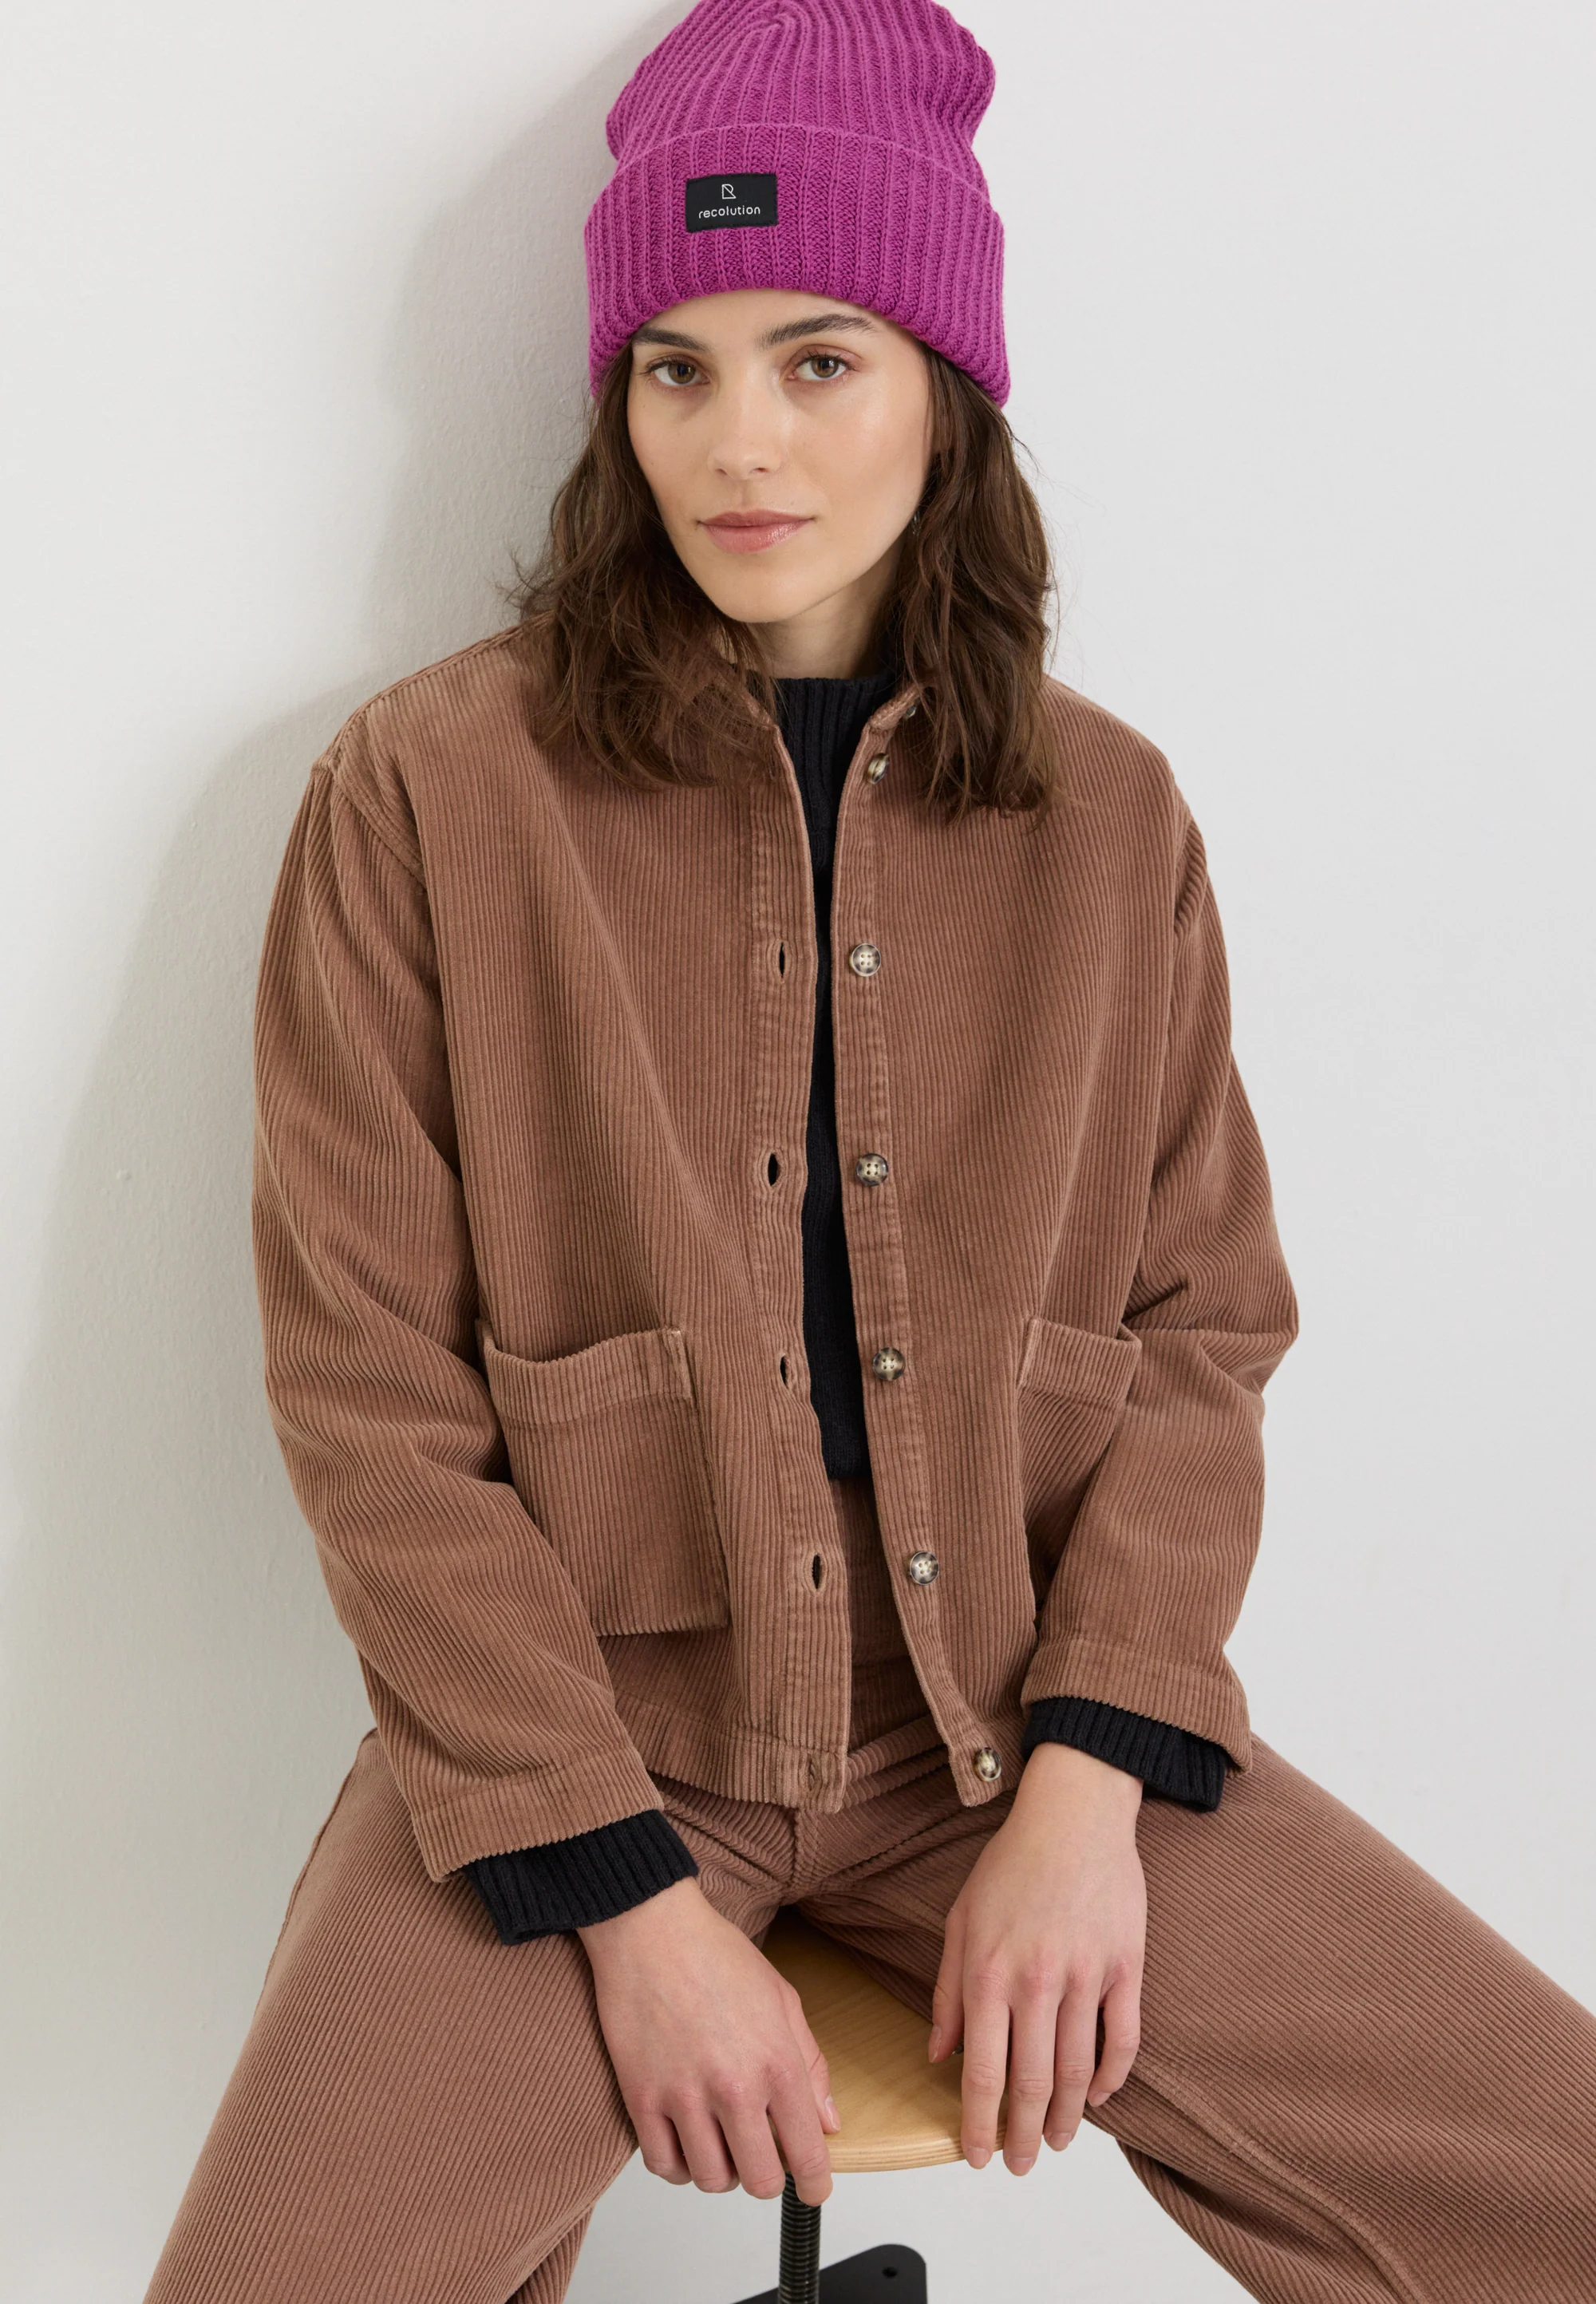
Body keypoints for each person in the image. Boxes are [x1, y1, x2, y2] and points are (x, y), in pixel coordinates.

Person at [143, 2, 1596, 2299]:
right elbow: (369, 1397)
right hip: (585, 1742)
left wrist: (1090, 1797)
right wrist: (626, 1907)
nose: (742, 442)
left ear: (946, 383)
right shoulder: (429, 795)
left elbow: (1205, 1327)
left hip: (1010, 1717)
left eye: (819, 360)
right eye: (679, 368)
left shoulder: (1111, 817)